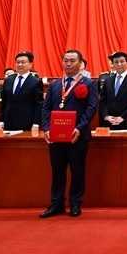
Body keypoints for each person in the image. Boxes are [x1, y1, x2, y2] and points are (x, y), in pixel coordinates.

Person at [40, 50, 98, 218]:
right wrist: (47, 128)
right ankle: (56, 203)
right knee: (57, 171)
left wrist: (79, 127)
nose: (68, 64)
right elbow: (46, 108)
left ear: (80, 63)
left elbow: (91, 108)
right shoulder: (55, 85)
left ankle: (75, 203)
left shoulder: (89, 84)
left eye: (72, 61)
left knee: (77, 170)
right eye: (66, 60)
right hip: (56, 135)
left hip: (77, 135)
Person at [0, 51, 43, 132]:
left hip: (27, 123)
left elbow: (38, 105)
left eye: (23, 62)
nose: (20, 65)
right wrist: (1, 121)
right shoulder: (8, 80)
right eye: (18, 62)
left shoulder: (36, 82)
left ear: (30, 64)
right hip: (8, 122)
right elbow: (4, 102)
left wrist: (36, 123)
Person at [98, 51, 127, 130]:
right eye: (116, 62)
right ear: (112, 64)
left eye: (122, 61)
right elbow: (102, 100)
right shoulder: (108, 80)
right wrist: (106, 116)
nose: (119, 64)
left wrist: (123, 117)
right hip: (109, 122)